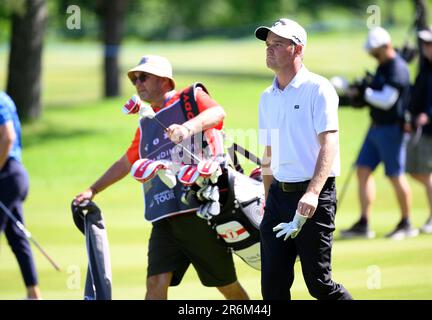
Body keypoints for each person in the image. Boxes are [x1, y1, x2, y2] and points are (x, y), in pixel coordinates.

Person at [74, 55, 249, 300]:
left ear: (165, 81)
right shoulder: (146, 121)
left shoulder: (190, 98)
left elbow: (218, 113)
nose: (138, 83)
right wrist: (93, 190)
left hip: (199, 213)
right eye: (134, 79)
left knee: (226, 286)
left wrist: (186, 128)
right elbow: (127, 161)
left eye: (144, 77)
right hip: (164, 216)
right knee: (155, 284)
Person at [256, 18, 352, 300]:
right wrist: (267, 199)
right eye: (267, 44)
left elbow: (329, 142)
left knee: (319, 284)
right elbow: (269, 153)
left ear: (297, 49)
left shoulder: (318, 89)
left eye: (277, 44)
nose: (269, 50)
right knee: (272, 287)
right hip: (277, 199)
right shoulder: (267, 96)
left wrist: (312, 193)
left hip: (315, 195)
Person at [340, 27, 418, 240]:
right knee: (363, 171)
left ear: (385, 46)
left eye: (375, 50)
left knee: (395, 175)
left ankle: (406, 223)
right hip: (375, 128)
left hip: (392, 129)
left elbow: (386, 100)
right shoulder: (383, 66)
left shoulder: (397, 68)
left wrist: (365, 92)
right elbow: (375, 94)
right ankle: (364, 223)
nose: (372, 54)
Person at [405, 25, 432, 233]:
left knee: (425, 171)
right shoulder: (427, 66)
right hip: (422, 125)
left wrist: (428, 114)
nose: (425, 47)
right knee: (415, 171)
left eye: (430, 43)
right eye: (424, 43)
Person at [0, 91, 41, 299]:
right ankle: (33, 293)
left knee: (17, 238)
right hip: (14, 176)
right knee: (17, 237)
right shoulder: (5, 98)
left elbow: (8, 137)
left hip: (6, 175)